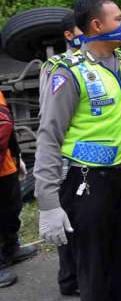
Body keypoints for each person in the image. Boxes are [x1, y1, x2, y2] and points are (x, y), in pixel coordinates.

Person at [35, 0, 121, 301]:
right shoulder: (69, 72)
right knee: (94, 268)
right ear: (97, 25)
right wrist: (48, 202)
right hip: (88, 184)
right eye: (119, 19)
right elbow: (50, 135)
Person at [37, 12, 84, 296]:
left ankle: (74, 278)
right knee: (70, 228)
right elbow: (50, 121)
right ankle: (70, 281)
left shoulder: (91, 64)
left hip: (80, 161)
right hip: (66, 161)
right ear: (69, 35)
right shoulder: (57, 67)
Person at [0, 91, 38, 288]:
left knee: (11, 208)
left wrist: (17, 155)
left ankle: (10, 248)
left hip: (5, 164)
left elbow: (7, 122)